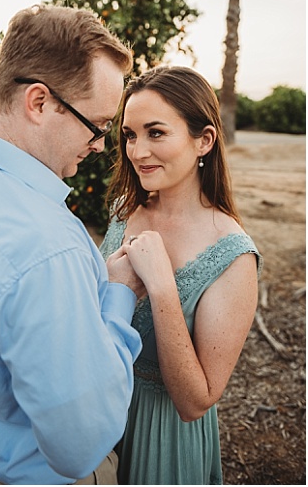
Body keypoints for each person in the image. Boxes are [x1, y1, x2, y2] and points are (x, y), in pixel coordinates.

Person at [0, 4, 146, 484]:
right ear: (40, 103)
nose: (102, 144)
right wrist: (119, 295)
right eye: (98, 125)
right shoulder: (46, 247)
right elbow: (80, 442)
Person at [100, 66, 261, 484]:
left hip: (162, 439)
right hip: (97, 417)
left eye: (156, 133)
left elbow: (196, 401)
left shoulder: (233, 255)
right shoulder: (123, 211)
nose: (137, 151)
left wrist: (161, 287)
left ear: (203, 140)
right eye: (130, 135)